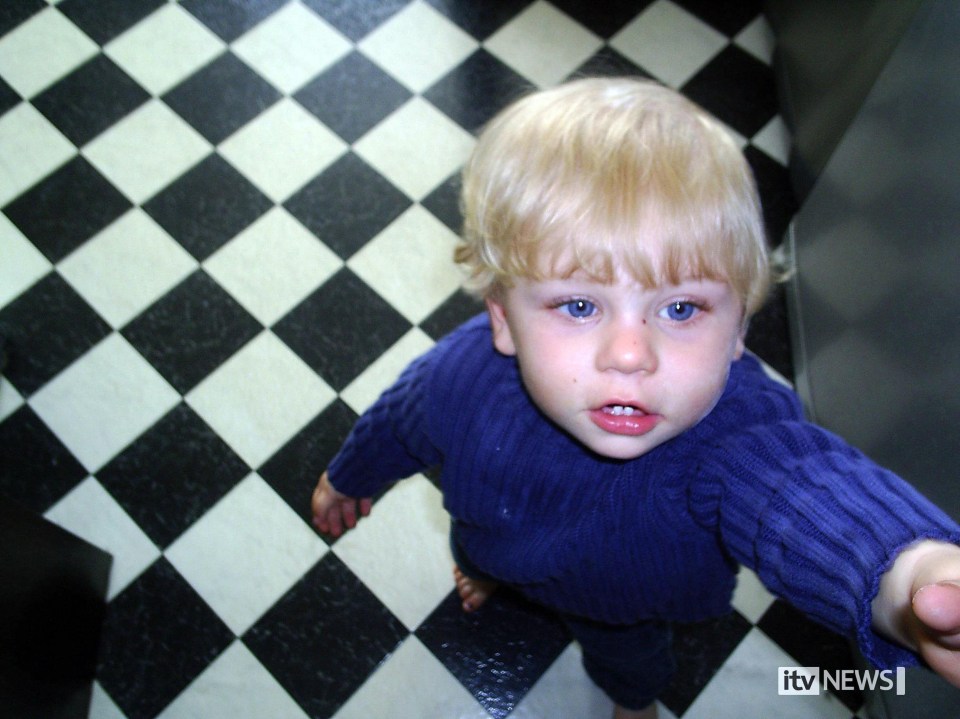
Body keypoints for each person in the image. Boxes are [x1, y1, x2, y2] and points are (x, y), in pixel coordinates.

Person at [310, 77, 960, 718]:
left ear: (739, 327)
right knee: (478, 551)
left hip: (624, 603)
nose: (630, 353)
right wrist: (350, 477)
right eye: (578, 303)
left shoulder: (733, 433)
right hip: (494, 536)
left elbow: (802, 488)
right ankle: (486, 576)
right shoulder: (463, 373)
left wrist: (909, 572)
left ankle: (631, 701)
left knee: (630, 658)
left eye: (681, 307)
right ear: (504, 319)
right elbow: (400, 421)